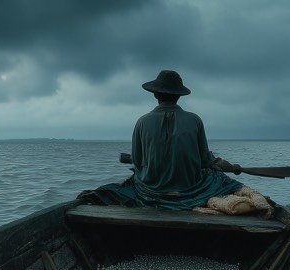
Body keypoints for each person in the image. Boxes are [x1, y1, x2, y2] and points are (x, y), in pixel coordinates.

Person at [80, 70, 249, 210]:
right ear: (179, 95)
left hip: (150, 190)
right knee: (217, 177)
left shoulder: (142, 121)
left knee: (127, 184)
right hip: (190, 188)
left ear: (155, 94)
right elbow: (205, 161)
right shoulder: (195, 120)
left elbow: (138, 163)